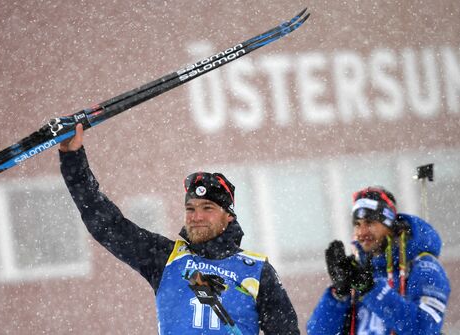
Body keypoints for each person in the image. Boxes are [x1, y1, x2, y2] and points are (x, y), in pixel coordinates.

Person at [59, 124, 299, 334]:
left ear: (228, 217)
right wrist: (72, 158)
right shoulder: (166, 258)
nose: (196, 217)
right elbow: (106, 224)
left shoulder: (257, 270)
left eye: (208, 208)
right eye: (191, 209)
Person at [307, 186, 450, 334]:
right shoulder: (357, 270)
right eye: (357, 224)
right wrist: (339, 294)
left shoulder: (423, 266)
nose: (362, 232)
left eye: (369, 223)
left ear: (389, 224)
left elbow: (424, 328)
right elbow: (317, 332)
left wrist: (372, 290)